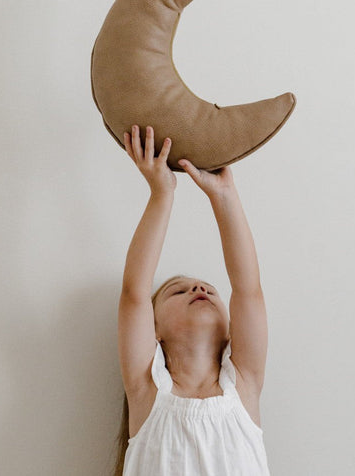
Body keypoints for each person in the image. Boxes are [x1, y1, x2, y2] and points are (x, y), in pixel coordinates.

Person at [114, 124, 271, 475]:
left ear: (231, 328)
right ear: (153, 330)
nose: (198, 288)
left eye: (209, 290)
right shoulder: (148, 391)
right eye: (178, 291)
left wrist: (224, 195)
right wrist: (162, 193)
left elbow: (248, 289)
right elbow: (134, 293)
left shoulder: (242, 386)